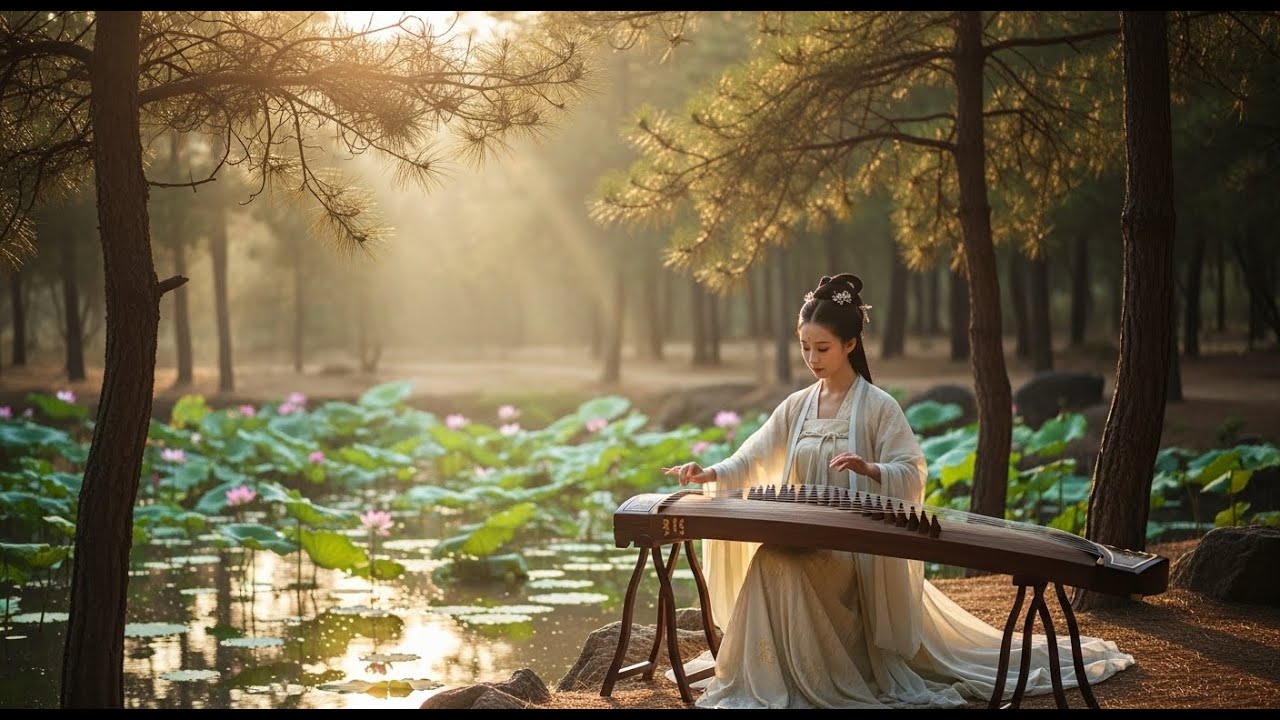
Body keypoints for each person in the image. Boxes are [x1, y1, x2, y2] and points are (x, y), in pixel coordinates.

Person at [660, 272, 1135, 709]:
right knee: (771, 558)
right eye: (805, 347)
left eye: (822, 348)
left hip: (853, 550)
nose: (812, 359)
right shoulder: (797, 406)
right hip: (806, 532)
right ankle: (775, 675)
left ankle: (814, 677)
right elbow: (752, 454)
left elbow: (912, 470)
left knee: (776, 565)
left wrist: (872, 470)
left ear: (850, 343)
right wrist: (711, 473)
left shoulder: (877, 407)